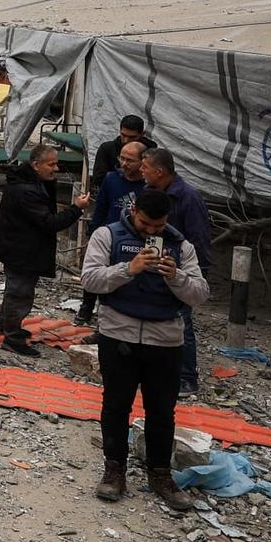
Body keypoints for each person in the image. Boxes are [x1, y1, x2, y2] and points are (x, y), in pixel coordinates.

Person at [79, 188, 208, 511]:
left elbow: (200, 294)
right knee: (116, 405)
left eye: (158, 226)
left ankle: (161, 474)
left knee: (162, 411)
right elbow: (90, 280)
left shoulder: (182, 246)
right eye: (145, 224)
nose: (151, 231)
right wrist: (129, 269)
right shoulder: (107, 236)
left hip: (165, 340)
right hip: (118, 335)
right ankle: (114, 470)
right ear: (134, 211)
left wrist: (176, 277)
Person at [0, 142, 90, 355]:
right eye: (51, 165)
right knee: (20, 292)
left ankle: (6, 325)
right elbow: (50, 222)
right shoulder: (27, 191)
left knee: (16, 288)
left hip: (17, 244)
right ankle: (12, 337)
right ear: (35, 165)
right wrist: (76, 209)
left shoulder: (30, 183)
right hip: (20, 249)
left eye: (56, 164)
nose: (56, 169)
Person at [139, 147, 212, 395]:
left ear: (159, 171)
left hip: (180, 268)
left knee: (182, 320)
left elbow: (199, 237)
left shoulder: (188, 198)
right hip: (153, 264)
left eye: (145, 167)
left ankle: (187, 376)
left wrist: (192, 272)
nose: (141, 171)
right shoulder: (149, 192)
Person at [79, 139, 149, 322]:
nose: (124, 164)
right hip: (109, 236)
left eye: (130, 160)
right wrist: (93, 232)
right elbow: (101, 207)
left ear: (143, 162)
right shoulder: (111, 179)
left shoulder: (147, 186)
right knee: (97, 273)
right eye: (121, 158)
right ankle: (86, 308)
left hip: (135, 238)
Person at [92, 114, 152, 187]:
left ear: (142, 134)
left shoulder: (151, 152)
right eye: (123, 135)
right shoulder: (107, 149)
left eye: (132, 137)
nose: (126, 140)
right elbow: (99, 178)